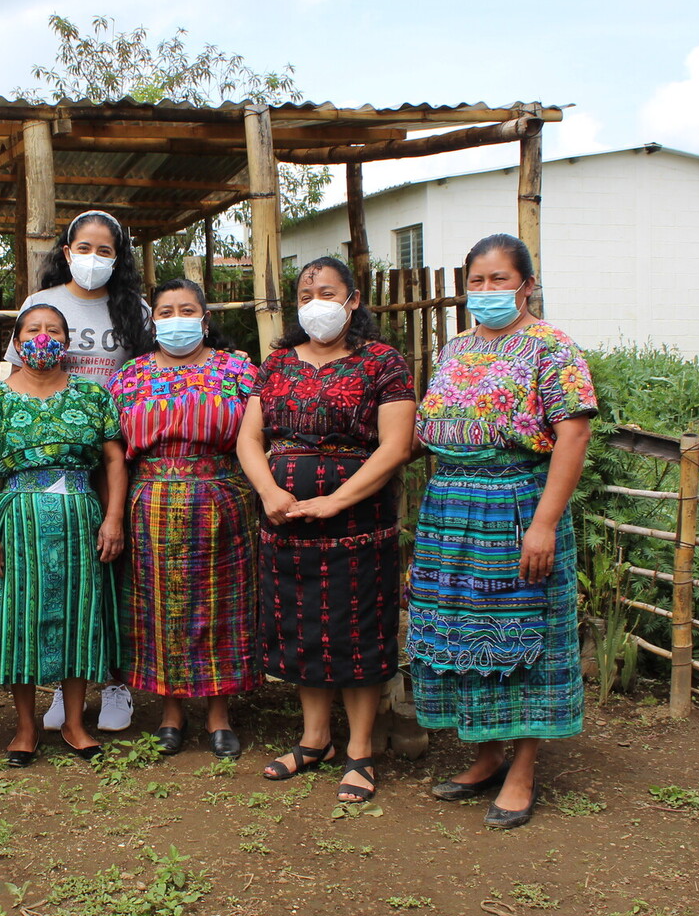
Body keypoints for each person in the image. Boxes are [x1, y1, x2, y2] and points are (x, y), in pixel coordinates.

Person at [410, 233, 596, 830]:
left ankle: (523, 768)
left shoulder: (551, 348)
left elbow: (573, 435)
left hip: (516, 505)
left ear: (527, 286)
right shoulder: (454, 349)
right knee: (465, 632)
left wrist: (542, 525)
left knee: (522, 638)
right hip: (451, 509)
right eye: (477, 281)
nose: (487, 291)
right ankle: (486, 755)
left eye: (499, 280)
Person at [236, 256, 416, 803]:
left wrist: (336, 499)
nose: (316, 303)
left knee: (358, 626)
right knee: (302, 625)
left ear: (353, 300)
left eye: (327, 292)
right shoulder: (276, 364)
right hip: (286, 518)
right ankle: (315, 741)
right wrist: (269, 492)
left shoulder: (382, 362)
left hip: (359, 517)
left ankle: (359, 750)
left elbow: (396, 445)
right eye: (306, 293)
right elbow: (250, 438)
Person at [5, 209, 153, 734]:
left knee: (113, 572)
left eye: (106, 250)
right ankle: (64, 690)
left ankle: (116, 683)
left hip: (121, 453)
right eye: (84, 248)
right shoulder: (43, 306)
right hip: (58, 457)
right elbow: (15, 373)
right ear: (67, 253)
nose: (94, 259)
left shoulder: (133, 308)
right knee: (59, 575)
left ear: (119, 257)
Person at [0, 304, 128, 767]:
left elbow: (115, 461)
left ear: (67, 340)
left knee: (80, 617)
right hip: (17, 521)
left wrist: (113, 518)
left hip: (81, 516)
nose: (43, 337)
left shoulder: (92, 396)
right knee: (21, 618)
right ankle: (25, 726)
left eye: (53, 330)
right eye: (33, 330)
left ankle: (76, 723)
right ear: (17, 342)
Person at [107, 279, 261, 759]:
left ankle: (218, 713)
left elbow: (259, 434)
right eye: (167, 311)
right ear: (153, 319)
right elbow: (113, 448)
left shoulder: (236, 368)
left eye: (187, 309)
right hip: (149, 504)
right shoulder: (129, 375)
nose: (177, 318)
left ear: (205, 318)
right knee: (158, 611)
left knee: (222, 608)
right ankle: (170, 711)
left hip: (222, 500)